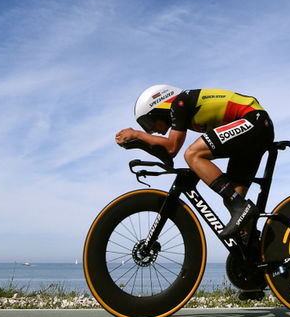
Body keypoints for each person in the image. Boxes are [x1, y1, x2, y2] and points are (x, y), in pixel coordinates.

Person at [115, 85, 274, 241]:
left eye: (148, 124)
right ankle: (255, 246)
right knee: (231, 199)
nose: (151, 130)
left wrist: (137, 134)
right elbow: (167, 155)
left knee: (193, 154)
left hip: (254, 119)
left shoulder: (180, 102)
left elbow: (171, 147)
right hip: (256, 129)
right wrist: (138, 142)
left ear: (158, 109)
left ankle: (240, 206)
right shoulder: (187, 113)